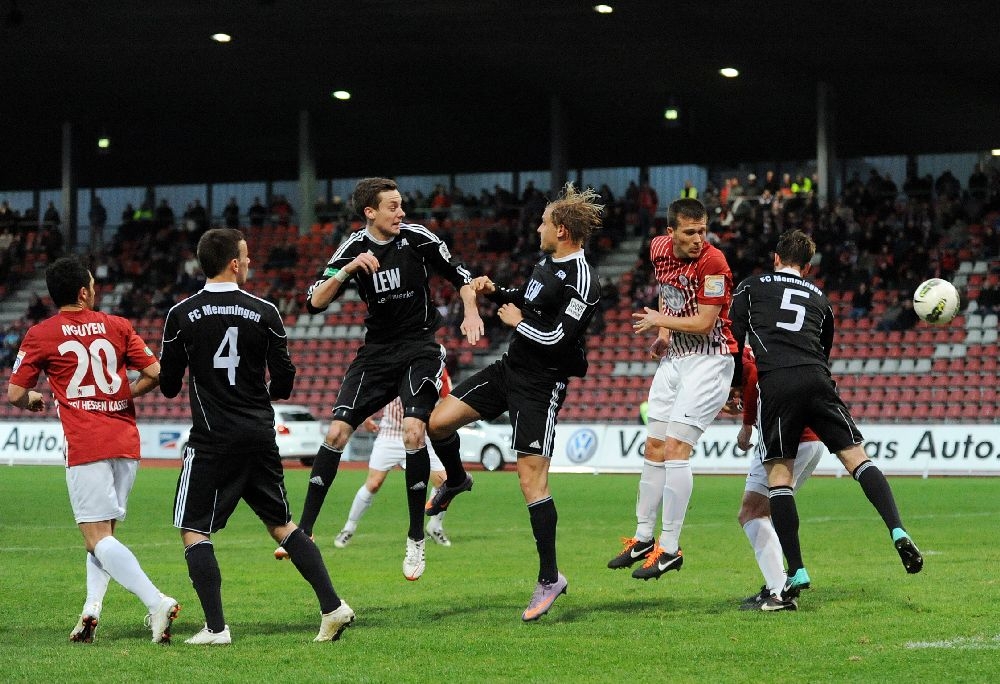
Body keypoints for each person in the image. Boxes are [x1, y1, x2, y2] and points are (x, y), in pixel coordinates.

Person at [159, 228, 353, 644]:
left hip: (213, 439)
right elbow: (284, 379)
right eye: (245, 257)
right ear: (234, 263)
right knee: (282, 524)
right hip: (260, 434)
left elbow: (170, 385)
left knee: (193, 528)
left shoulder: (181, 314)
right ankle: (333, 607)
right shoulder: (265, 311)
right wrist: (260, 392)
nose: (249, 262)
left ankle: (215, 628)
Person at [425, 182, 603, 621]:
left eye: (543, 223)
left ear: (561, 230)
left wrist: (517, 323)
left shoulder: (583, 280)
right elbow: (527, 303)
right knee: (438, 423)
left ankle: (549, 578)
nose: (537, 228)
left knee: (531, 482)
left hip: (541, 386)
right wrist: (497, 292)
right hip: (509, 371)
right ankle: (455, 481)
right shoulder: (546, 263)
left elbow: (559, 339)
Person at [290, 177, 483, 581]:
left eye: (401, 205)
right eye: (393, 207)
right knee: (336, 433)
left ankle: (415, 538)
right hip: (376, 353)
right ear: (370, 212)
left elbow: (462, 276)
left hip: (419, 347)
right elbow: (313, 302)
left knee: (414, 431)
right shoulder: (352, 247)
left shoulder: (417, 238)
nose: (401, 213)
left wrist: (470, 311)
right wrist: (347, 270)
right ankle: (303, 532)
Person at [728, 229, 923, 609]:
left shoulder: (751, 287)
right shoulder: (820, 298)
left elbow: (734, 339)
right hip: (818, 379)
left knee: (779, 476)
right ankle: (897, 529)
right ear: (808, 266)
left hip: (778, 381)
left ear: (776, 258)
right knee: (858, 458)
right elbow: (824, 349)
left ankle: (797, 569)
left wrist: (736, 383)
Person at [7, 256, 179, 644]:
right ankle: (91, 611)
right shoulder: (118, 326)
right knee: (105, 536)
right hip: (125, 442)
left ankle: (157, 602)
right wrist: (122, 393)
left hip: (86, 443)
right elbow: (157, 373)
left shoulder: (41, 333)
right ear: (84, 292)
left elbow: (15, 392)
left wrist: (33, 400)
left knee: (96, 537)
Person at [608, 197, 737, 581]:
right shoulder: (658, 249)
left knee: (677, 448)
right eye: (690, 232)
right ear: (671, 232)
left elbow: (704, 322)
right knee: (654, 446)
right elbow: (668, 291)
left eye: (703, 231)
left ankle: (670, 547)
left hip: (709, 360)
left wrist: (659, 320)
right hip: (675, 358)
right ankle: (643, 538)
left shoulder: (714, 262)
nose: (699, 239)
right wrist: (664, 333)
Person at [728, 347, 824, 612]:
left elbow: (750, 374)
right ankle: (778, 585)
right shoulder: (758, 350)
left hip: (786, 440)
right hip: (806, 440)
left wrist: (746, 425)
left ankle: (780, 591)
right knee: (761, 511)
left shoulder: (735, 352)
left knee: (752, 512)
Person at [331, 393, 453, 550]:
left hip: (420, 435)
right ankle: (348, 528)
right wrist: (366, 418)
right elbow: (374, 392)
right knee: (373, 484)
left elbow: (446, 400)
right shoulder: (395, 375)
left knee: (443, 483)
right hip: (390, 435)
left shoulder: (438, 378)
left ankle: (435, 526)